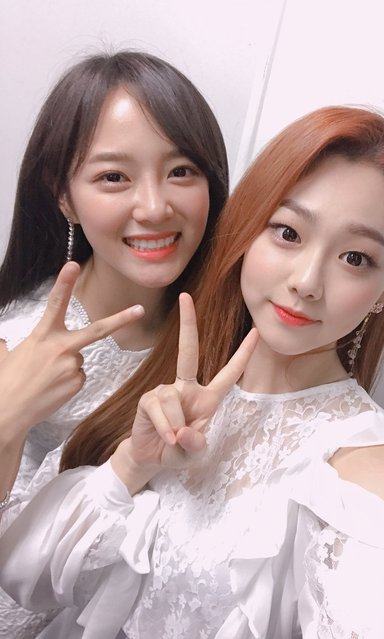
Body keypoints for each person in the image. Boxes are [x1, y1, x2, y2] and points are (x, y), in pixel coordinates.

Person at [1, 106, 384, 638]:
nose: (306, 281)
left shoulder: (371, 465)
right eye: (288, 233)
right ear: (246, 228)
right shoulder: (174, 378)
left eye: (355, 258)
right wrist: (132, 463)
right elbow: (23, 577)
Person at [0, 49, 228, 637]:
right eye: (113, 177)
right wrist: (7, 414)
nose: (154, 207)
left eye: (181, 171)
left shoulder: (226, 333)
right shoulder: (13, 342)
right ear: (64, 197)